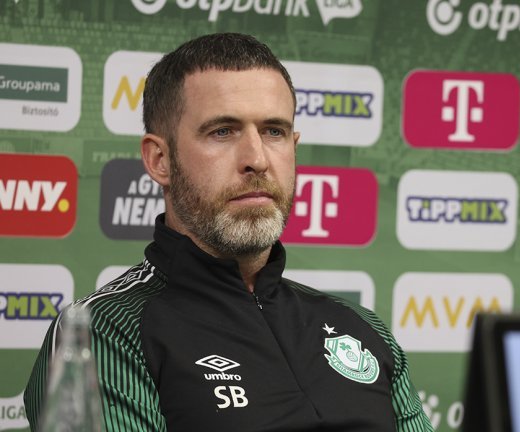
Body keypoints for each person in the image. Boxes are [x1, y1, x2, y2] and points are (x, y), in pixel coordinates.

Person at [24, 33, 433, 432]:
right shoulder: (103, 333)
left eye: (274, 131)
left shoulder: (361, 326)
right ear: (160, 159)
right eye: (222, 131)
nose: (257, 159)